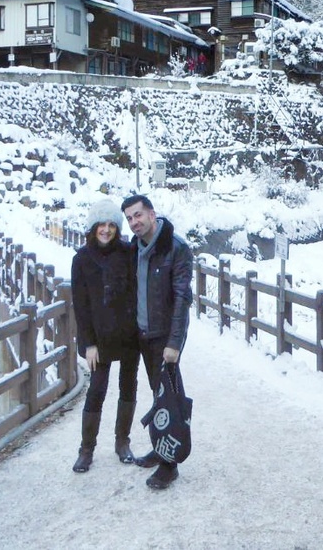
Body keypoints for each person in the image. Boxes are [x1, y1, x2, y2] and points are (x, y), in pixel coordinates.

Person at [121, 193, 193, 490]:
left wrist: (174, 343)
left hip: (163, 337)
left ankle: (170, 463)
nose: (134, 222)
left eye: (138, 215)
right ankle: (160, 448)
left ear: (152, 214)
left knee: (168, 399)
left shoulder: (175, 249)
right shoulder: (133, 249)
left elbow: (181, 300)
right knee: (155, 394)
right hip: (139, 334)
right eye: (129, 218)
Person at [70, 198, 140, 473]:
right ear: (93, 226)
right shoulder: (82, 259)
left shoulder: (128, 252)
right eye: (102, 224)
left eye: (112, 224)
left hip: (129, 335)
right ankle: (86, 449)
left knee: (128, 388)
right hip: (99, 339)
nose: (107, 230)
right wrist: (88, 343)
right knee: (96, 391)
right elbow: (81, 304)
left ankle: (122, 442)